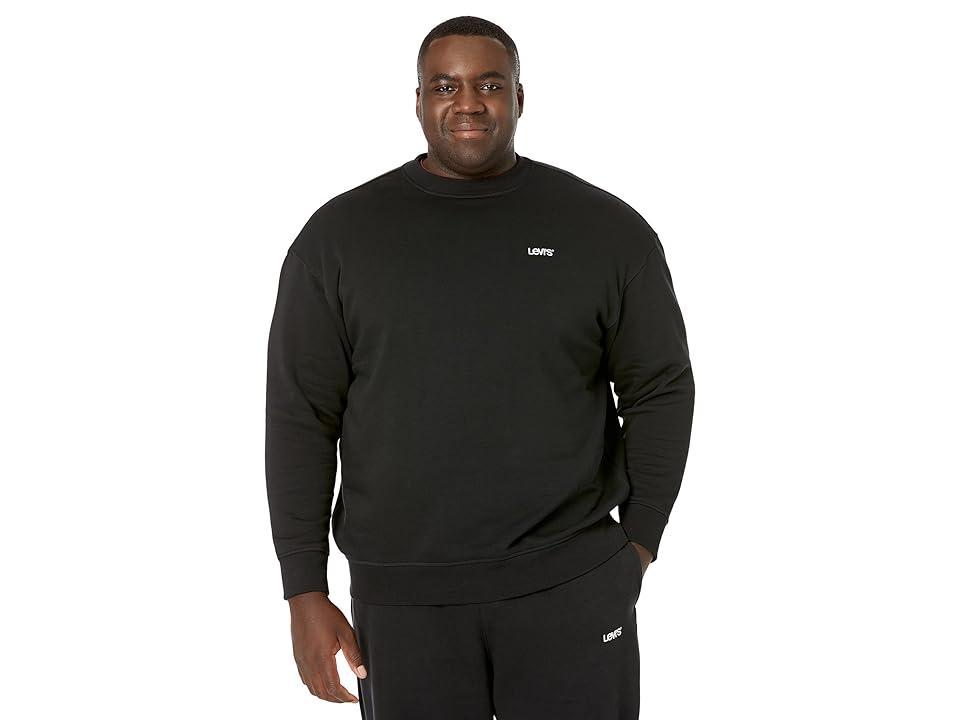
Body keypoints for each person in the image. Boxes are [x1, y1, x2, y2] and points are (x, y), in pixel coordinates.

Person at [265, 15, 695, 720]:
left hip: (572, 583)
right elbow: (300, 417)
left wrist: (641, 538)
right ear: (418, 100)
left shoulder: (604, 230)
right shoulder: (338, 240)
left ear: (519, 98)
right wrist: (303, 588)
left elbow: (660, 388)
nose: (467, 103)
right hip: (403, 601)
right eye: (446, 86)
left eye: (489, 85)